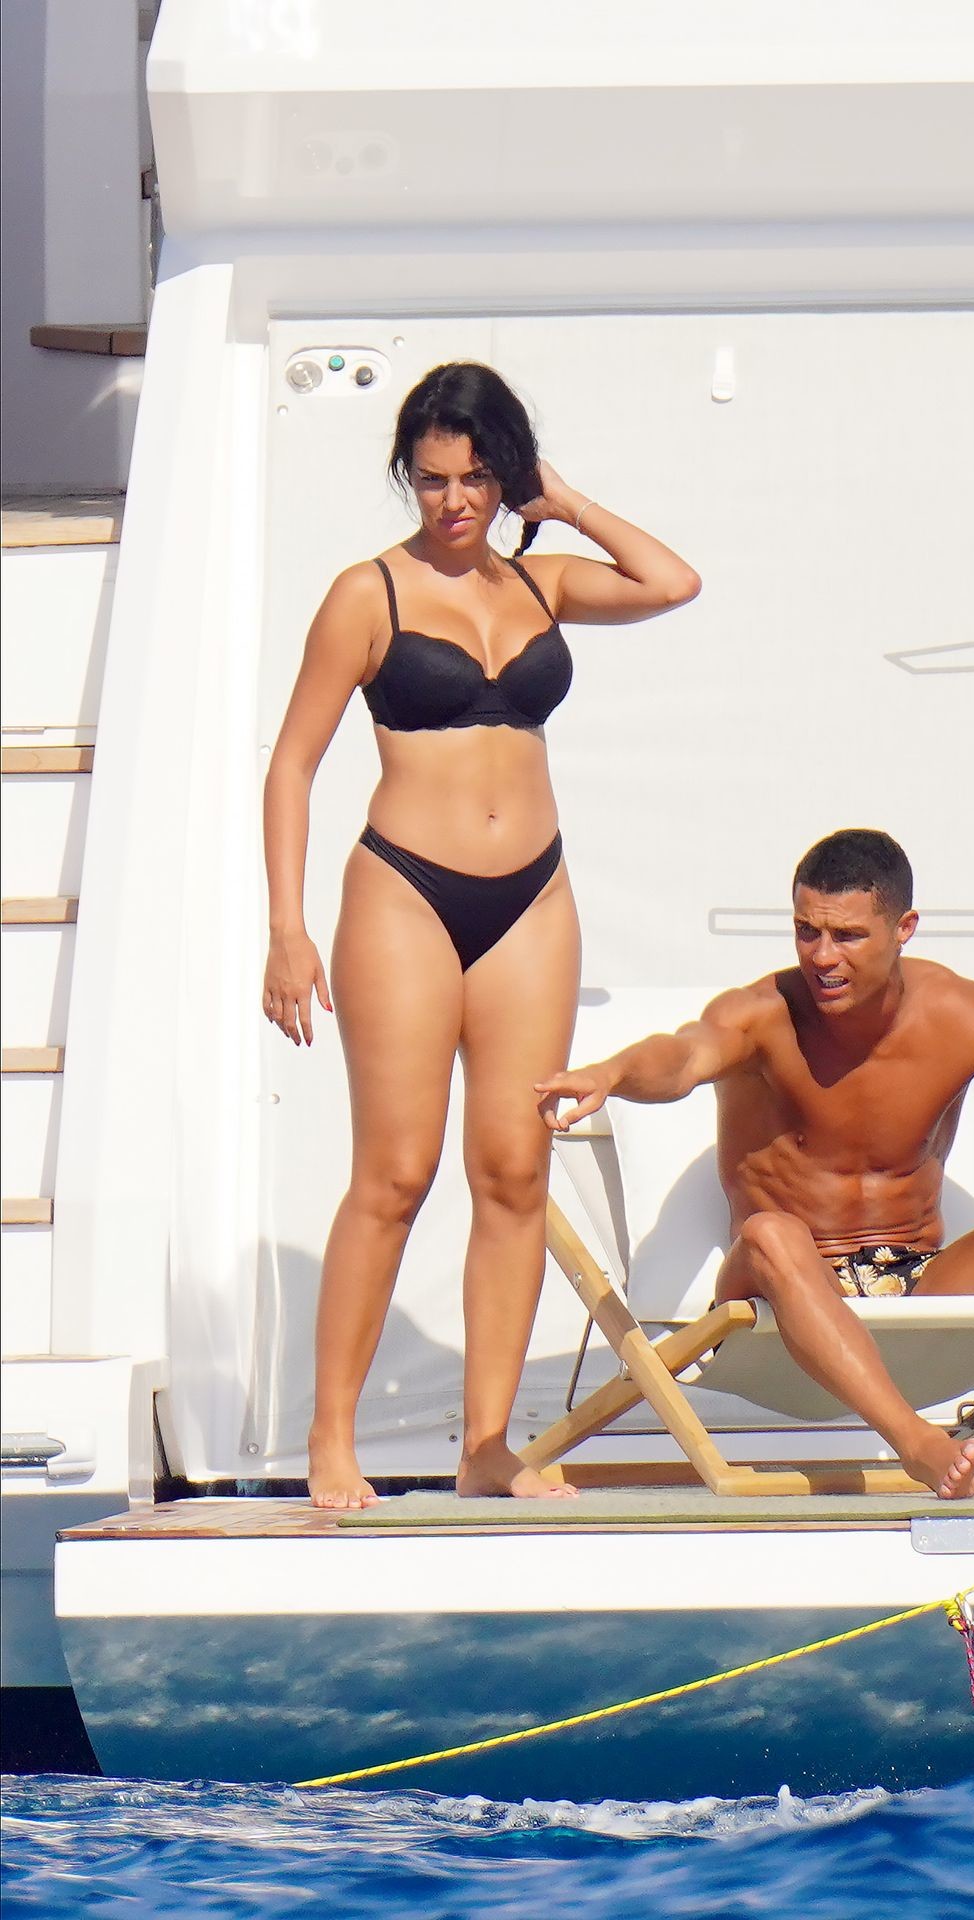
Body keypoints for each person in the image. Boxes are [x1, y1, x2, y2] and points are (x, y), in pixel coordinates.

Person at [263, 361, 700, 1506]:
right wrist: (285, 929)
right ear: (406, 478)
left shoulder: (542, 582)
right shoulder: (368, 594)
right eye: (430, 479)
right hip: (404, 892)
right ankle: (331, 1439)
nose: (452, 501)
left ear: (505, 472)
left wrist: (567, 501)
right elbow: (291, 764)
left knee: (513, 1170)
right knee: (394, 1174)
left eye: (473, 478)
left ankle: (488, 1446)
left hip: (531, 900)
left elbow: (672, 582)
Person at [536, 828, 974, 1500]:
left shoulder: (960, 1017)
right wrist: (612, 1073)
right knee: (773, 1232)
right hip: (774, 1285)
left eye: (848, 937)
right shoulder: (763, 1016)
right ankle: (916, 1442)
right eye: (806, 932)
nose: (822, 957)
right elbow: (682, 1057)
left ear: (904, 929)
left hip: (916, 1277)